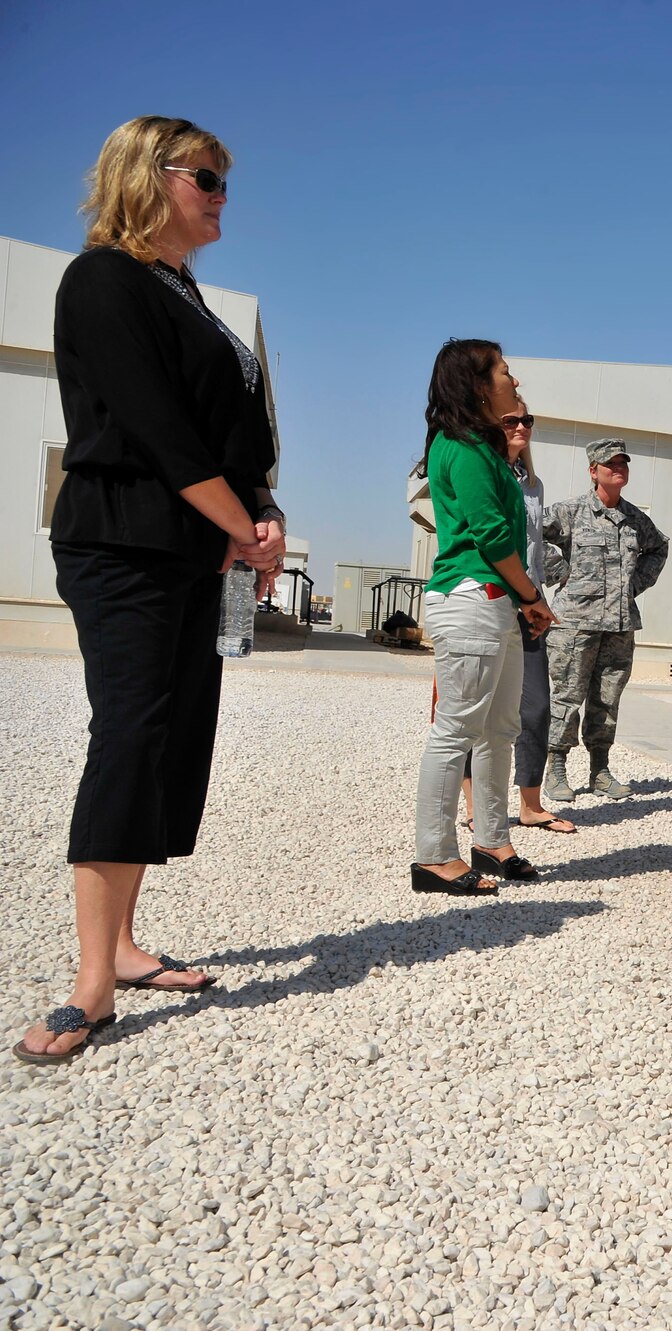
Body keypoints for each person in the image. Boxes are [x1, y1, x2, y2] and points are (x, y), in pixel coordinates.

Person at [14, 116, 286, 1064]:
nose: (220, 195)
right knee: (129, 731)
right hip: (124, 543)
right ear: (147, 176)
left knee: (171, 736)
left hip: (196, 549)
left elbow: (234, 433)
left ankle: (125, 947)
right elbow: (161, 431)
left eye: (225, 182)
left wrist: (262, 507)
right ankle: (92, 982)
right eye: (205, 177)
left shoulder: (188, 294)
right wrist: (239, 525)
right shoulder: (104, 279)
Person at [411, 341, 557, 896]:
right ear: (476, 385)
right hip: (472, 597)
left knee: (500, 729)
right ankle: (433, 855)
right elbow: (492, 535)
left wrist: (521, 599)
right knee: (455, 731)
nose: (513, 378)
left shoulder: (487, 451)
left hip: (495, 602)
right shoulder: (462, 447)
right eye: (502, 370)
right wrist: (534, 598)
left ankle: (493, 840)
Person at [460, 404, 574, 834]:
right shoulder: (483, 472)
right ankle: (474, 806)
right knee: (480, 705)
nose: (522, 427)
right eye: (511, 420)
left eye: (528, 420)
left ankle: (530, 803)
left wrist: (543, 585)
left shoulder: (534, 485)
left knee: (537, 707)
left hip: (529, 600)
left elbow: (530, 543)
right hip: (489, 595)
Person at [540, 438, 669, 801]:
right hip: (574, 623)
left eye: (623, 463)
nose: (619, 469)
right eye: (610, 464)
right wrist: (558, 570)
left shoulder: (635, 519)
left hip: (619, 624)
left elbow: (659, 548)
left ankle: (600, 770)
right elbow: (526, 531)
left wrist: (633, 585)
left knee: (607, 700)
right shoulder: (569, 512)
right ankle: (557, 768)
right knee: (567, 696)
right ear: (593, 471)